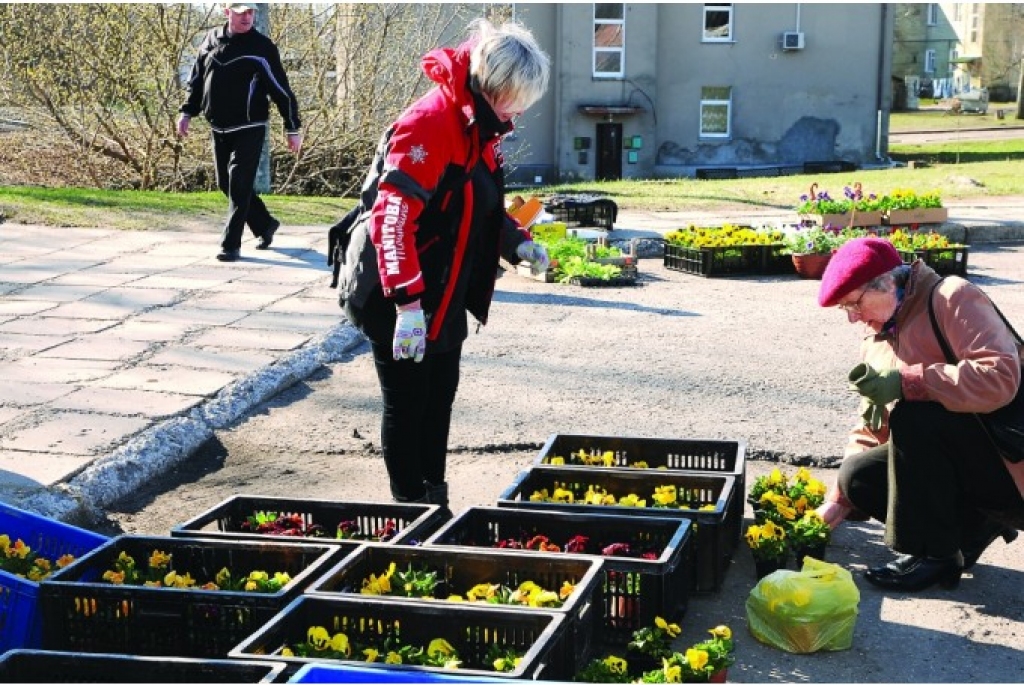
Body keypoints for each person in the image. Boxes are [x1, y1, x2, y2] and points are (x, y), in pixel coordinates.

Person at [333, 18, 550, 514]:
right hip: (399, 294)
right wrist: (408, 305)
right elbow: (393, 219)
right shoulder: (430, 124)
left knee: (439, 402)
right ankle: (408, 505)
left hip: (446, 295)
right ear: (493, 85)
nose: (517, 111)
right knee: (408, 405)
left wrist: (518, 244)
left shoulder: (483, 127)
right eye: (514, 98)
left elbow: (482, 205)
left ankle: (435, 497)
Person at [815, 237, 1023, 592]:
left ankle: (937, 557)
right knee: (858, 476)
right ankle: (969, 531)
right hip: (969, 463)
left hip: (1009, 461)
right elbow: (872, 424)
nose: (853, 319)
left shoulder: (951, 296)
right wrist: (836, 503)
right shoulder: (878, 334)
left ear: (886, 282)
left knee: (917, 418)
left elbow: (1001, 378)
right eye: (844, 310)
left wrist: (911, 381)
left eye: (854, 304)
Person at [177, 2, 303, 262]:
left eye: (251, 12)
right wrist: (187, 112)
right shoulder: (211, 39)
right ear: (227, 13)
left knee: (240, 183)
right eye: (241, 12)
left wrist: (292, 127)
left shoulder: (262, 47)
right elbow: (197, 79)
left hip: (250, 126)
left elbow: (281, 90)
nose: (247, 17)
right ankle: (264, 224)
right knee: (226, 183)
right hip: (218, 126)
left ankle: (230, 244)